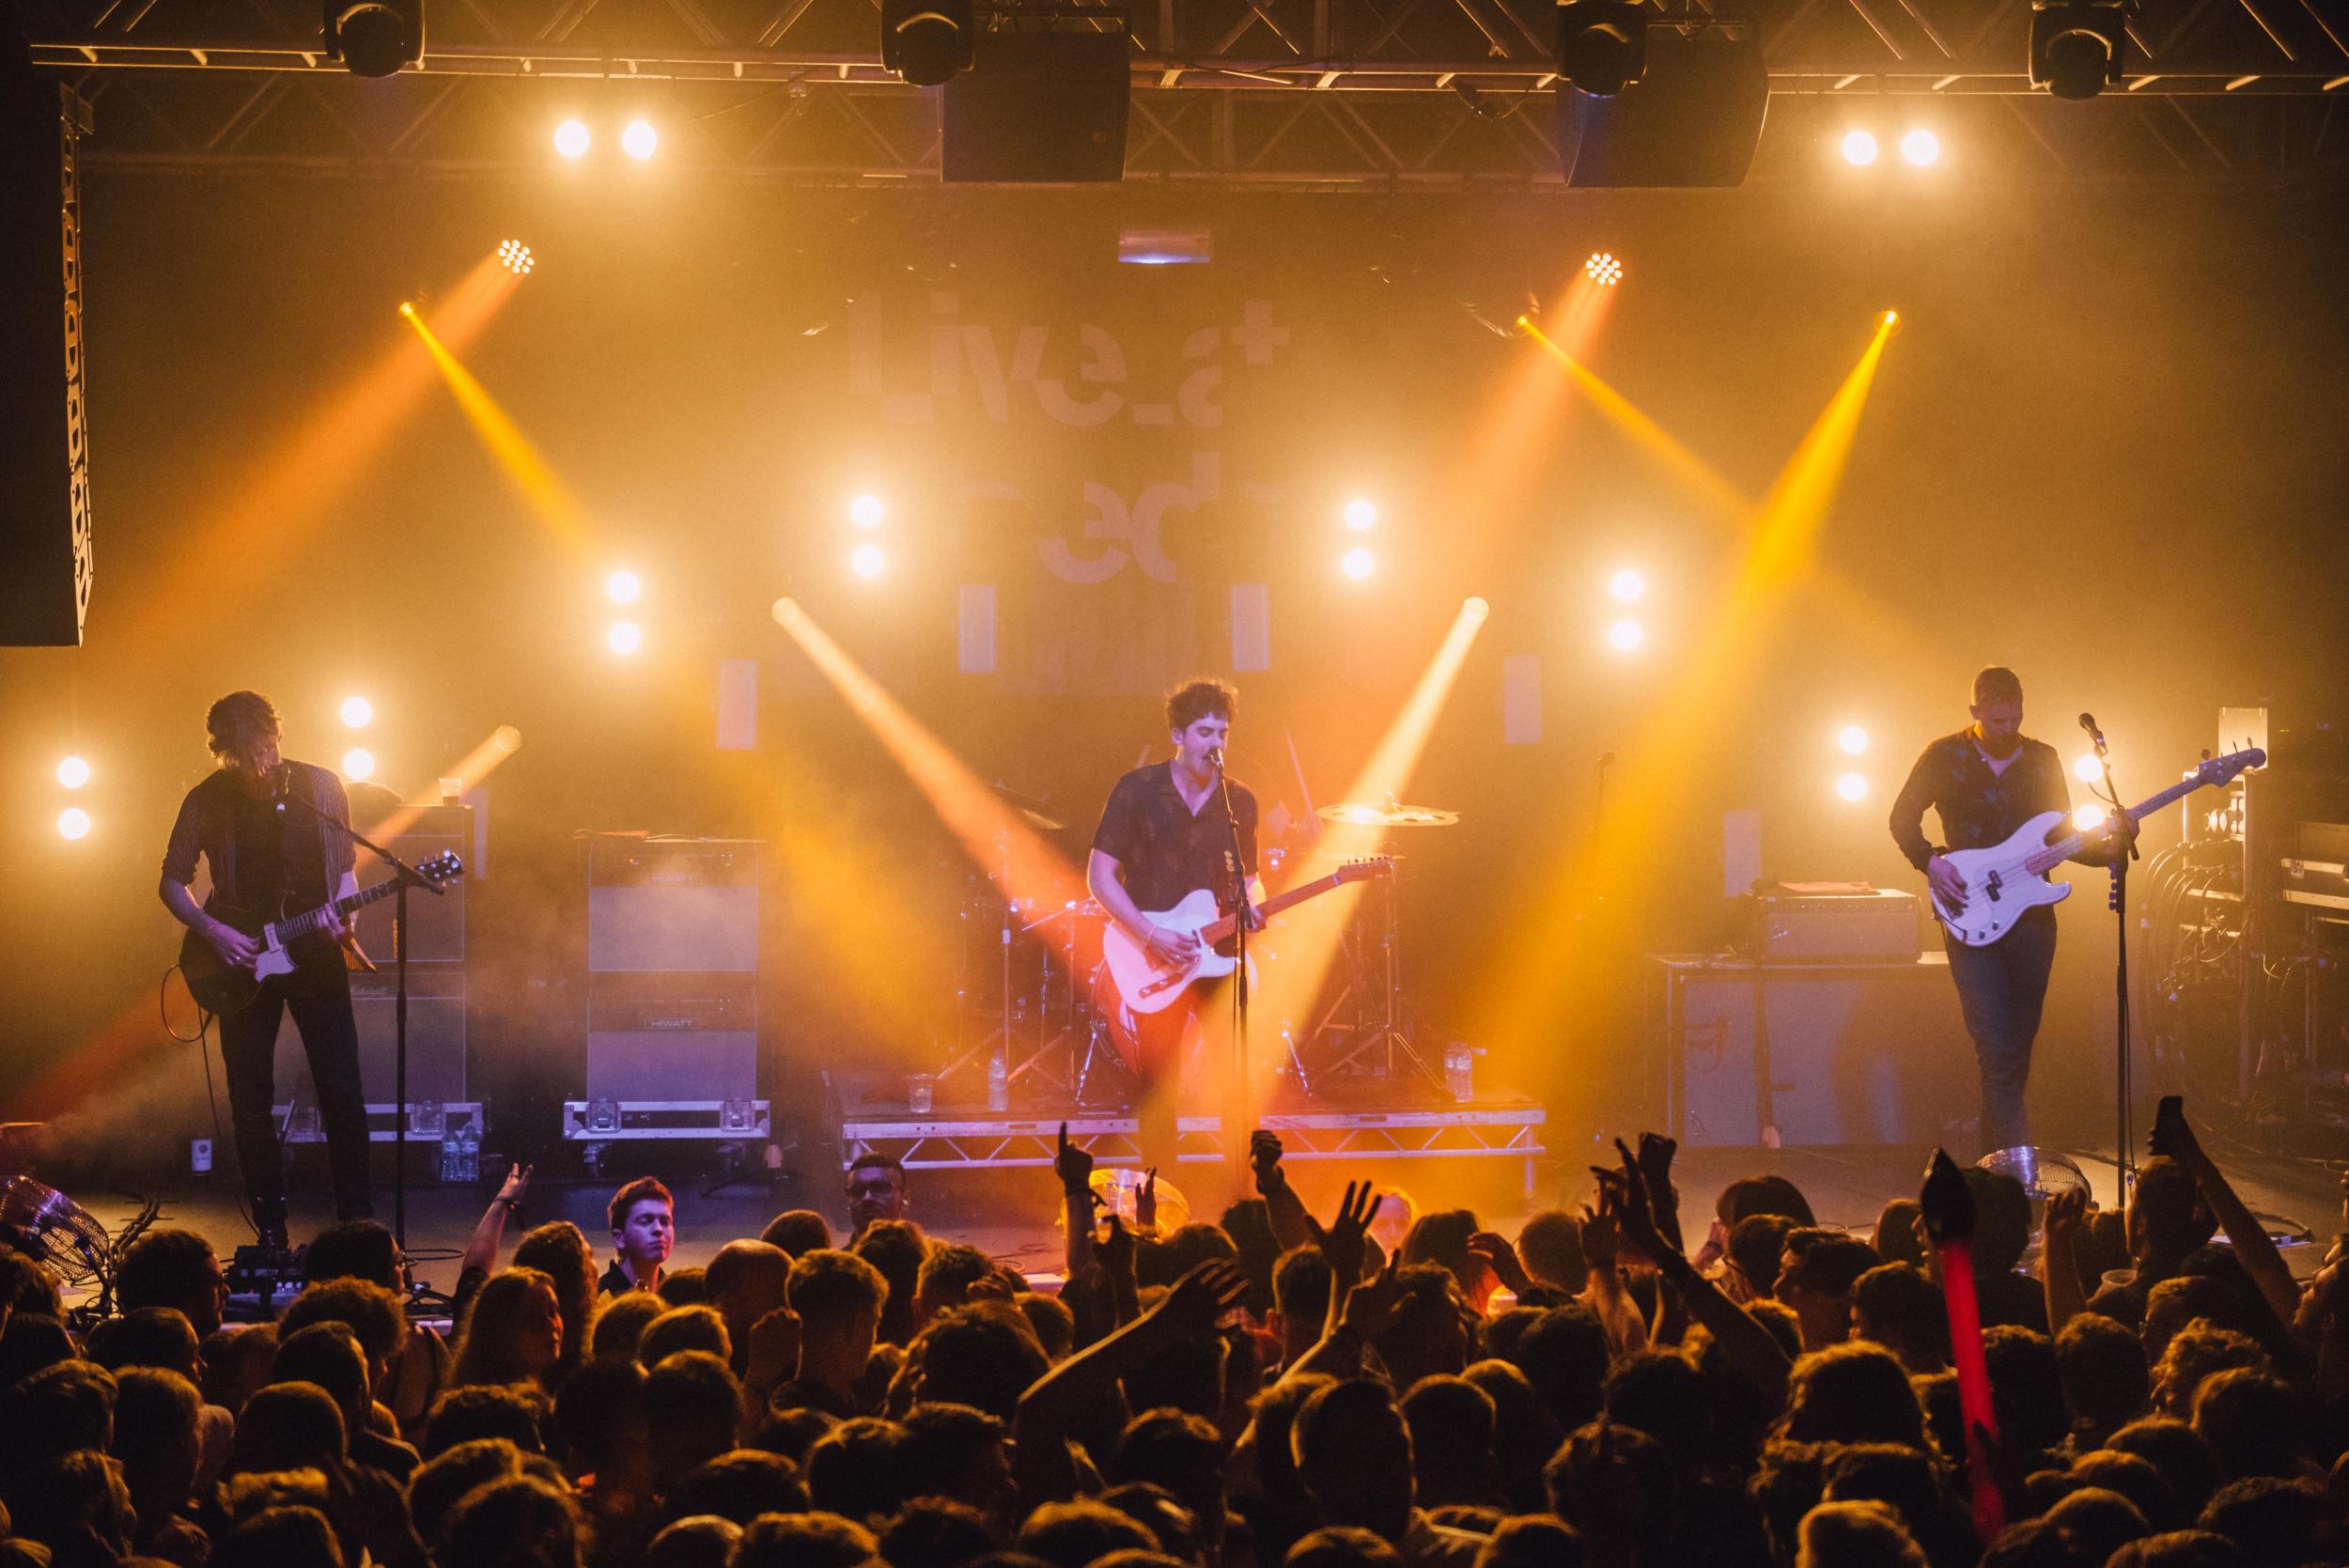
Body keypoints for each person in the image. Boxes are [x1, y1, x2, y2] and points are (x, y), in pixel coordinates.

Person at [159, 691, 375, 1246]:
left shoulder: (323, 787)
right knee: (250, 1097)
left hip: (314, 953)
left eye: (260, 749)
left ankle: (358, 1223)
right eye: (236, 756)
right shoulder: (207, 798)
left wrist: (345, 923)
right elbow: (171, 880)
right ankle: (271, 1228)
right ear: (221, 751)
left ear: (275, 737)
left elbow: (346, 870)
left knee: (342, 1089)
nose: (252, 765)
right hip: (239, 961)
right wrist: (213, 931)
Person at [1888, 665, 2109, 1154]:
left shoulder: (2043, 758)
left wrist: (2114, 841)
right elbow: (1901, 818)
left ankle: (1991, 1163)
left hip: (2031, 918)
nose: (2009, 730)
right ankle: (2017, 1171)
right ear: (1976, 712)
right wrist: (1931, 863)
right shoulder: (1943, 756)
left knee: (2018, 1048)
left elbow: (2064, 838)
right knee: (1995, 1045)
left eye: (2016, 719)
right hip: (1969, 910)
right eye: (1999, 721)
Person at [1086, 677, 1262, 1176]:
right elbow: (1099, 878)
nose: (1216, 743)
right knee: (1160, 1083)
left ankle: (1238, 1191)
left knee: (1235, 1074)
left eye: (1223, 733)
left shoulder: (1239, 801)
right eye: (1205, 731)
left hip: (1218, 950)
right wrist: (1148, 934)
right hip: (1152, 948)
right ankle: (1158, 1199)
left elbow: (1247, 879)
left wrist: (1254, 904)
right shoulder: (1137, 790)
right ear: (1178, 735)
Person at [604, 1177, 676, 1296]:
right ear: (619, 1238)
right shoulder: (600, 1301)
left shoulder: (676, 1295)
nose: (658, 1229)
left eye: (665, 1221)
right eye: (645, 1221)